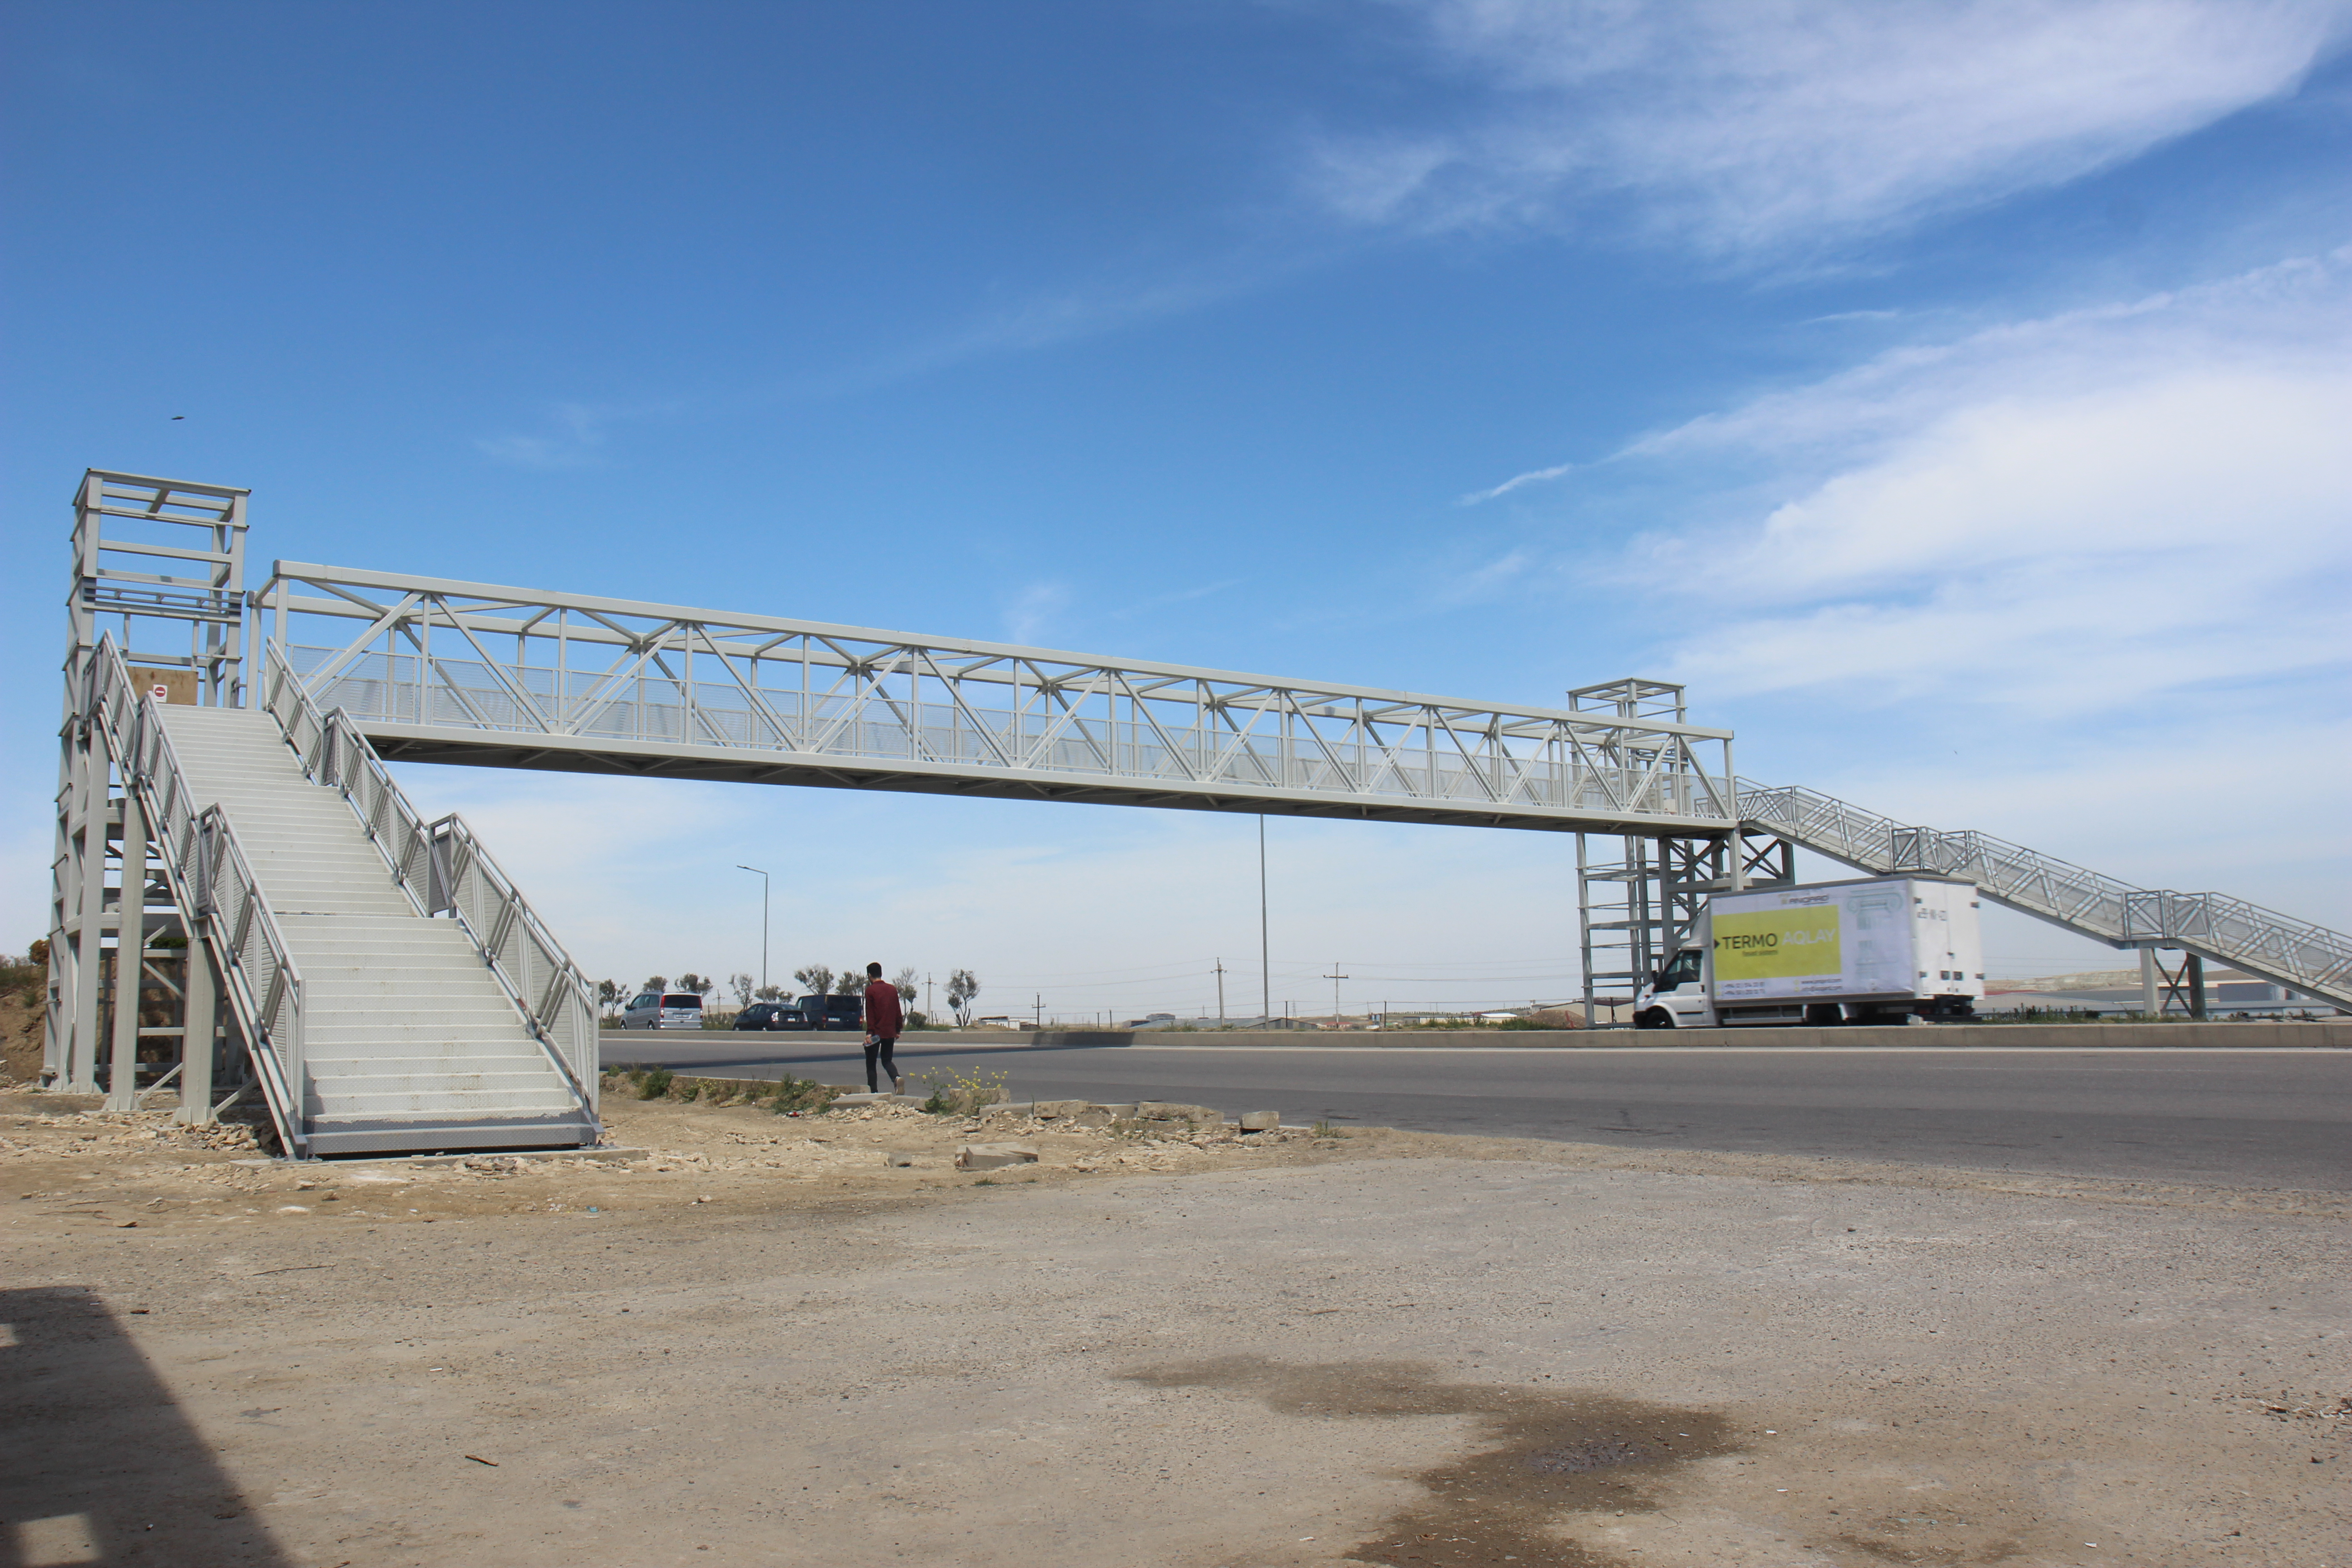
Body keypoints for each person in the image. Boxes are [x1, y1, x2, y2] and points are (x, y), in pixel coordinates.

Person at [861, 961, 905, 1095]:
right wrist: (898, 1029)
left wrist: (870, 1032)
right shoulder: (892, 989)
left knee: (871, 1063)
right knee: (887, 1060)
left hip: (876, 1033)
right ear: (881, 973)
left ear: (869, 975)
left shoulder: (870, 991)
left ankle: (873, 1091)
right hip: (890, 1031)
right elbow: (898, 1010)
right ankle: (896, 1078)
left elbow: (871, 1013)